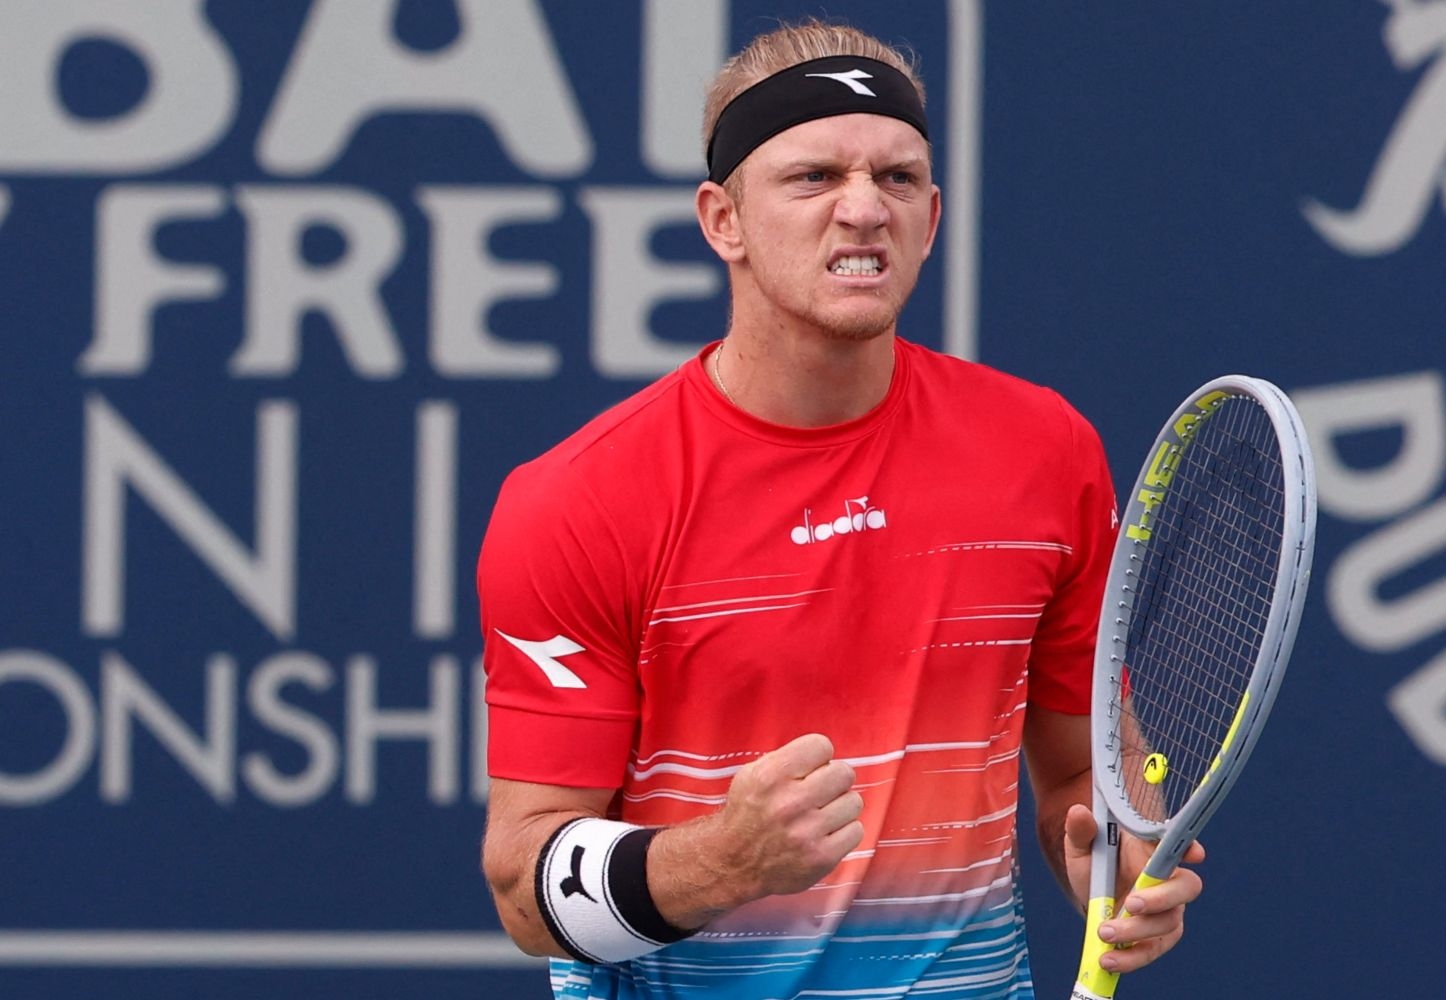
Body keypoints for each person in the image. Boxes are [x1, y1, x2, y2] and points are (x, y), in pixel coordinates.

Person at [476, 19, 1203, 998]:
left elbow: (1084, 777)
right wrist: (721, 861)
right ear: (722, 220)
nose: (863, 208)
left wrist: (1109, 862)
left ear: (933, 217)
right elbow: (524, 888)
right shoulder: (578, 501)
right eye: (814, 177)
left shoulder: (1045, 453)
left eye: (896, 179)